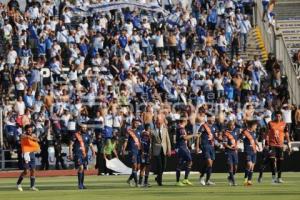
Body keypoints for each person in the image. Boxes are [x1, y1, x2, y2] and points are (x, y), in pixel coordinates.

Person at [69, 124, 96, 189]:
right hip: (78, 154)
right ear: (80, 128)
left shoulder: (87, 135)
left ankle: (82, 184)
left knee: (83, 169)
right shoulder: (76, 135)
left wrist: (93, 152)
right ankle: (80, 185)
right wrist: (70, 154)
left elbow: (91, 145)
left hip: (84, 154)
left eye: (85, 127)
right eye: (83, 127)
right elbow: (70, 145)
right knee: (80, 167)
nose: (84, 128)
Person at [267, 111, 291, 183]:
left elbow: (286, 134)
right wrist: (265, 143)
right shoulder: (270, 123)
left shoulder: (284, 124)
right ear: (274, 116)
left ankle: (279, 178)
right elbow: (266, 133)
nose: (278, 117)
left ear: (281, 116)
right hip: (272, 145)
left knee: (280, 161)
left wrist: (289, 144)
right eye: (277, 116)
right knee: (271, 159)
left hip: (280, 145)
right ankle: (273, 176)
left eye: (279, 116)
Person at [175, 117, 198, 186]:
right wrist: (194, 135)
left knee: (181, 163)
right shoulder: (181, 128)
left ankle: (179, 181)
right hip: (182, 147)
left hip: (182, 147)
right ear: (184, 121)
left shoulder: (180, 128)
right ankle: (184, 179)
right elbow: (185, 137)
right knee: (190, 161)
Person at [16, 124, 40, 191]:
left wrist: (34, 138)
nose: (30, 131)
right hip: (26, 154)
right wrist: (31, 137)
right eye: (28, 130)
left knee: (33, 170)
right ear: (26, 130)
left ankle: (32, 186)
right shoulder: (23, 135)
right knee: (26, 171)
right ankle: (18, 183)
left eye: (31, 130)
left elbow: (38, 139)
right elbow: (23, 136)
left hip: (32, 153)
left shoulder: (33, 135)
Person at [197, 114, 217, 186]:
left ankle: (207, 180)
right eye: (212, 118)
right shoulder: (203, 126)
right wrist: (197, 147)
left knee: (209, 165)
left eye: (214, 119)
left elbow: (214, 137)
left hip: (211, 147)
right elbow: (198, 136)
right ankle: (202, 177)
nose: (213, 120)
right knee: (209, 163)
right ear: (208, 119)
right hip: (205, 146)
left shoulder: (214, 127)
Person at [152, 114, 172, 186]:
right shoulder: (153, 131)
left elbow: (168, 140)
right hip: (156, 150)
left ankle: (158, 177)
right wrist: (151, 152)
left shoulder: (165, 129)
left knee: (164, 166)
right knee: (160, 166)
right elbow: (151, 142)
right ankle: (159, 181)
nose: (159, 123)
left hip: (164, 149)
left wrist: (169, 150)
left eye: (160, 122)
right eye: (158, 122)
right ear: (156, 123)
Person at [122, 118, 142, 187]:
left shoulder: (139, 131)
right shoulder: (129, 131)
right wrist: (123, 150)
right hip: (132, 150)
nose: (136, 124)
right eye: (135, 122)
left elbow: (140, 141)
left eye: (137, 123)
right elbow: (126, 141)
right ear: (132, 123)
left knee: (138, 167)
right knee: (134, 166)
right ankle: (137, 183)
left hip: (139, 150)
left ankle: (129, 179)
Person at [243, 120, 260, 186]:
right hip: (248, 150)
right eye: (255, 125)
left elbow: (254, 139)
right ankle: (245, 179)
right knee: (249, 165)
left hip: (254, 150)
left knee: (252, 167)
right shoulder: (245, 132)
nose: (256, 127)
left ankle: (249, 181)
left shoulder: (254, 132)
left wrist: (258, 145)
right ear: (252, 125)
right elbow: (241, 138)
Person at [223, 121, 240, 186]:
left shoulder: (235, 132)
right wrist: (231, 147)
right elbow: (224, 144)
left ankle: (230, 177)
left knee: (235, 167)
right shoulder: (226, 133)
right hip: (228, 152)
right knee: (231, 167)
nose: (233, 126)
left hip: (234, 152)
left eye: (233, 125)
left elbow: (236, 141)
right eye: (231, 125)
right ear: (228, 126)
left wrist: (236, 146)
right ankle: (233, 182)